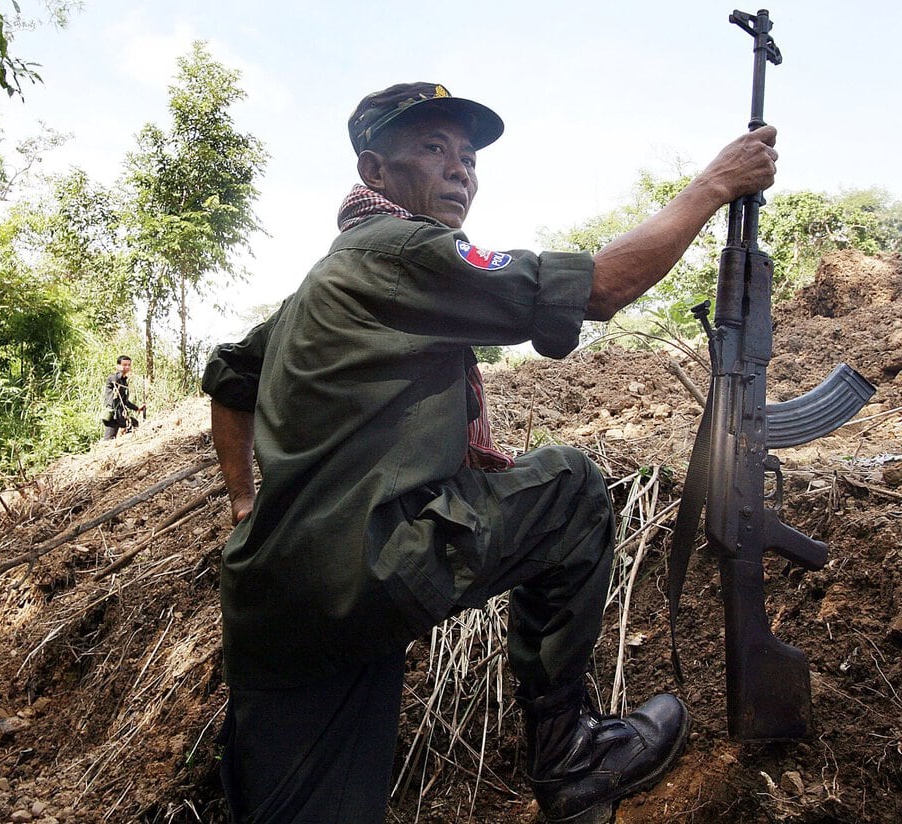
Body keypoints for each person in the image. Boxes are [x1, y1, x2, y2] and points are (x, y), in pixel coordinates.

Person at [201, 82, 778, 823]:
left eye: (468, 157)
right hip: (365, 575)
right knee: (568, 487)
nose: (460, 170)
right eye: (433, 149)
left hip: (276, 601)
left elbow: (228, 376)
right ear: (373, 172)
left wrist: (246, 503)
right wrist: (715, 185)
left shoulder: (327, 278)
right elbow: (597, 289)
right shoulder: (404, 247)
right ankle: (571, 757)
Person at [103, 355, 146, 440]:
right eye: (124, 365)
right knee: (108, 440)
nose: (127, 367)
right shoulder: (113, 377)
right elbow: (116, 380)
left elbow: (125, 401)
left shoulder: (124, 381)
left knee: (134, 423)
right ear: (118, 366)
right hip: (112, 415)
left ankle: (126, 441)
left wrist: (137, 408)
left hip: (120, 415)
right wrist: (121, 372)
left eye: (129, 365)